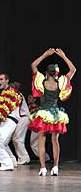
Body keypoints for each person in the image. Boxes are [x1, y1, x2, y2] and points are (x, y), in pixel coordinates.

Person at [28, 48, 76, 176]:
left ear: (46, 73)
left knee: (41, 140)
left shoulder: (41, 82)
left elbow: (33, 65)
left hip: (43, 113)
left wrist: (44, 55)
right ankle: (55, 167)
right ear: (56, 73)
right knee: (55, 140)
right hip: (55, 114)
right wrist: (64, 57)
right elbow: (73, 70)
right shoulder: (60, 83)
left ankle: (43, 168)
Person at [0, 73, 23, 171]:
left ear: (7, 80)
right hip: (10, 121)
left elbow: (4, 109)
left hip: (8, 121)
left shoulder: (11, 92)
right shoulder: (6, 92)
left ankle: (7, 163)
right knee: (3, 144)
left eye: (1, 79)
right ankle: (12, 161)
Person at [9, 82, 31, 165]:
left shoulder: (18, 95)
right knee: (16, 138)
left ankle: (24, 158)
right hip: (21, 118)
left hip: (23, 117)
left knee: (18, 138)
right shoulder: (16, 95)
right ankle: (22, 157)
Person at [27, 95, 50, 162]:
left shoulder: (33, 106)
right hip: (36, 127)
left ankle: (45, 158)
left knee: (34, 144)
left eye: (30, 98)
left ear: (34, 100)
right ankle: (44, 157)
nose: (28, 99)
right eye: (28, 97)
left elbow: (34, 118)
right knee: (35, 144)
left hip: (37, 127)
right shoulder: (31, 106)